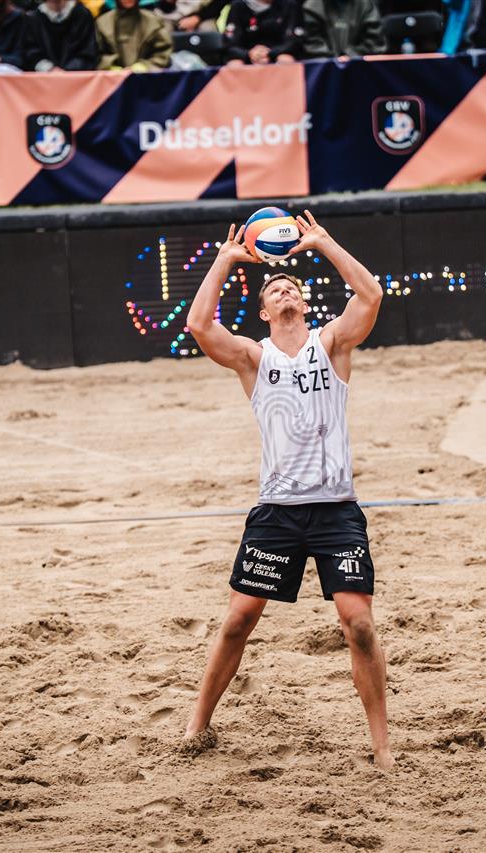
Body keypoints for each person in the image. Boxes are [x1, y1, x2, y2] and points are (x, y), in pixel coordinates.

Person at [182, 211, 393, 770]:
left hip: (336, 510)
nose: (284, 291)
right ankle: (197, 724)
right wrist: (225, 260)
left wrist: (323, 243)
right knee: (237, 621)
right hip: (277, 511)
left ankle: (382, 748)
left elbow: (370, 295)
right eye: (275, 289)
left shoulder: (333, 344)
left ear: (303, 302)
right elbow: (199, 325)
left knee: (360, 626)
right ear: (264, 312)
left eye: (292, 286)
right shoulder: (255, 358)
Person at [23, 0, 98, 72]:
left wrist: (67, 71)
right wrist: (49, 69)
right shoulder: (33, 18)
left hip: (77, 75)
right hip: (42, 76)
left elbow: (88, 52)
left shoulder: (82, 15)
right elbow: (30, 52)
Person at [96, 0, 170, 71]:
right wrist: (110, 67)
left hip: (147, 76)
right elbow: (97, 53)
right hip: (111, 77)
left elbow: (162, 52)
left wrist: (144, 66)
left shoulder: (153, 21)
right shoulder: (102, 22)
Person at [222, 0, 301, 65]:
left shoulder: (289, 4)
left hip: (276, 53)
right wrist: (249, 54)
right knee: (234, 64)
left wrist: (269, 53)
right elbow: (230, 44)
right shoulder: (238, 5)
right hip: (247, 55)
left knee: (286, 60)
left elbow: (294, 41)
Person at [301, 0, 384, 59]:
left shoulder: (367, 5)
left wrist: (350, 56)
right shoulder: (311, 7)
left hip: (360, 68)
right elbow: (313, 45)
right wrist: (333, 62)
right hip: (322, 71)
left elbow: (374, 44)